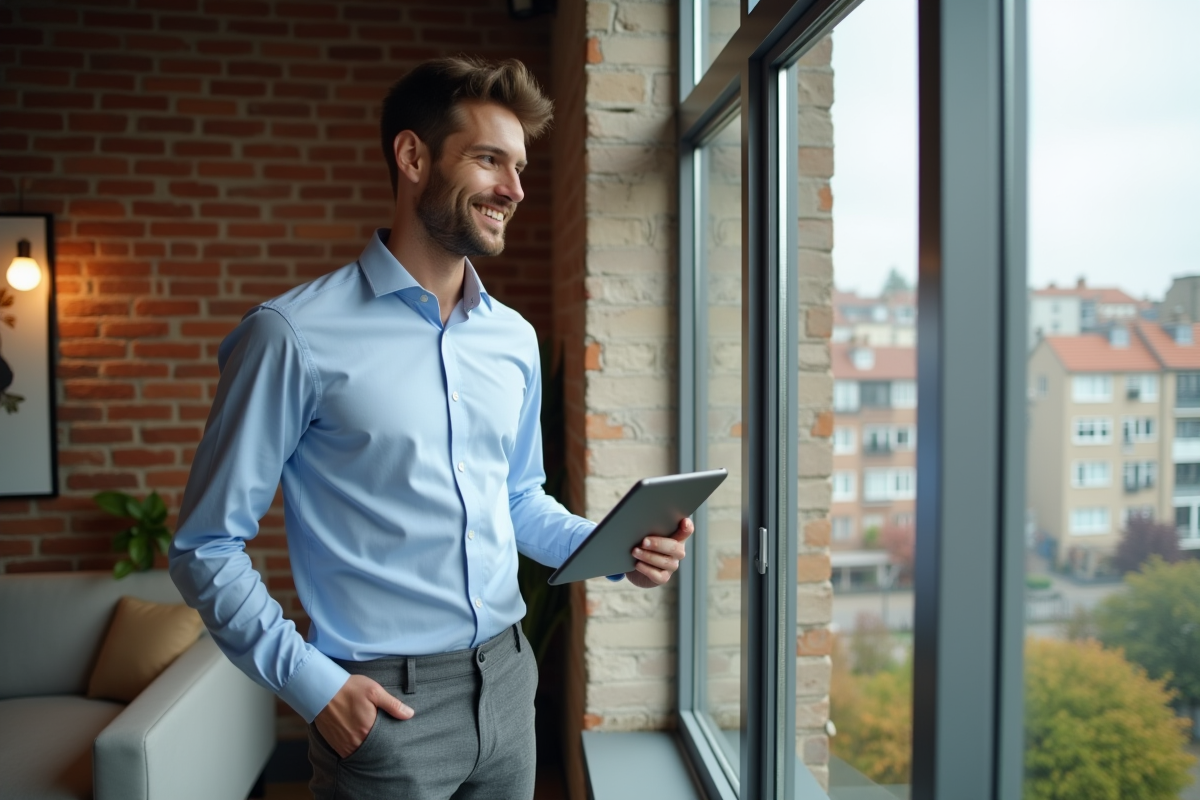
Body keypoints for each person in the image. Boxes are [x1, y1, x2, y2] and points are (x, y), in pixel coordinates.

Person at [169, 56, 693, 800]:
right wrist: (316, 686)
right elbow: (205, 545)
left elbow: (515, 501)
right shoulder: (291, 335)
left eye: (518, 166)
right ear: (412, 156)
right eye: (488, 160)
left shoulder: (513, 340)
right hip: (382, 705)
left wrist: (614, 549)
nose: (513, 189)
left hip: (510, 685)